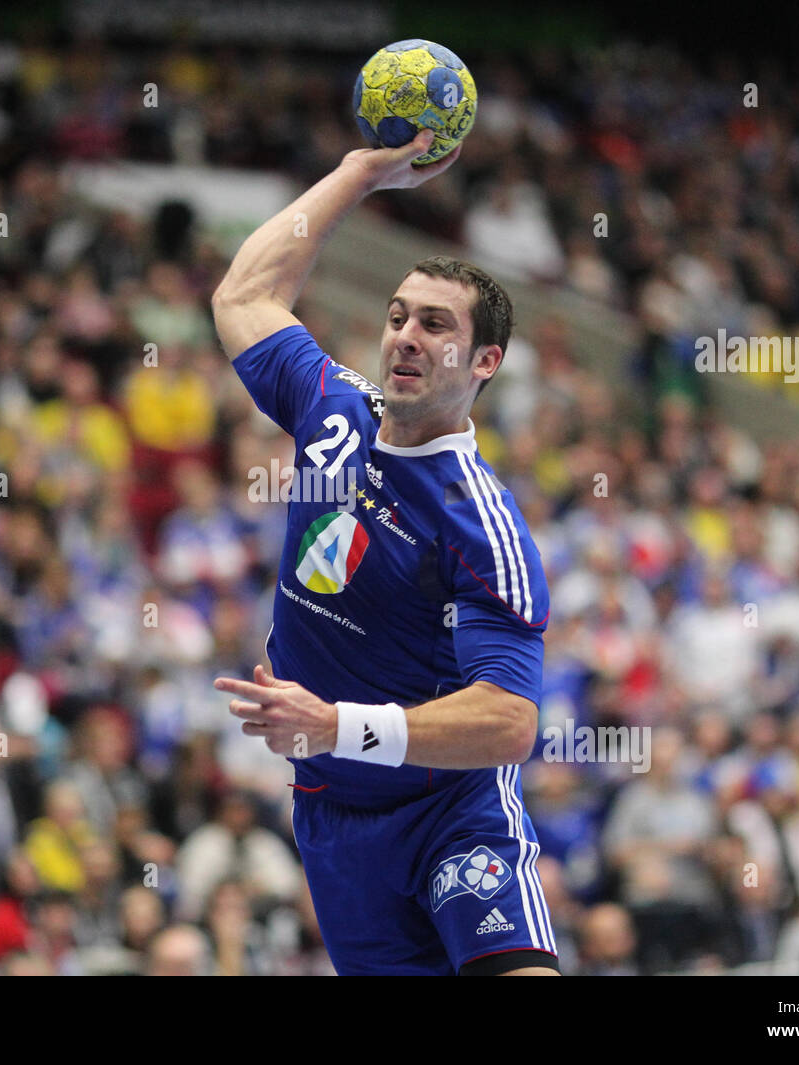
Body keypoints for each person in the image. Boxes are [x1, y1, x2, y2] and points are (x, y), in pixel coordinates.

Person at [211, 129, 558, 975]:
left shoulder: (482, 523)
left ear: (485, 361)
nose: (403, 335)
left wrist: (335, 724)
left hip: (449, 811)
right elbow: (244, 295)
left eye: (434, 325)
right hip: (334, 818)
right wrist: (359, 174)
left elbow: (510, 722)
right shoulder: (334, 408)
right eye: (397, 315)